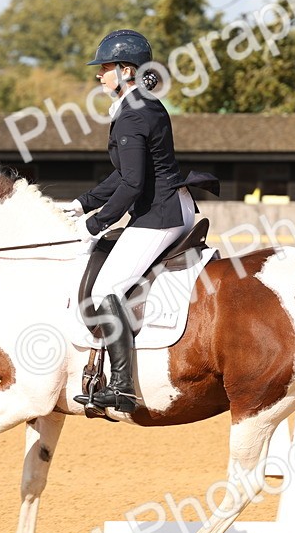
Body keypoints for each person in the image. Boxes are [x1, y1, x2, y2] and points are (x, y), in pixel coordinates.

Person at [68, 29, 201, 413]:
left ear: (127, 70)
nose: (100, 75)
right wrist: (83, 204)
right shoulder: (145, 104)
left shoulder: (132, 115)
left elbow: (132, 183)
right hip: (170, 206)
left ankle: (122, 387)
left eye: (106, 67)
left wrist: (97, 223)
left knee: (106, 288)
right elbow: (125, 173)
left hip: (158, 216)